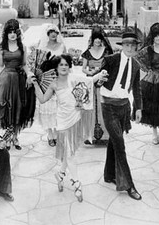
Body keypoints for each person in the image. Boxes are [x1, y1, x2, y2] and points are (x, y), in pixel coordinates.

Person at [32, 54, 107, 202]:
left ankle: (60, 174)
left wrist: (101, 74)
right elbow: (42, 99)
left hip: (76, 118)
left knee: (69, 150)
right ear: (56, 67)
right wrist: (35, 84)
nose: (64, 67)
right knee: (70, 153)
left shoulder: (74, 78)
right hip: (62, 121)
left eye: (66, 64)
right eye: (61, 65)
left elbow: (90, 81)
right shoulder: (53, 84)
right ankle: (76, 183)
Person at [97, 31, 143, 200]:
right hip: (108, 105)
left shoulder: (136, 65)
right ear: (122, 46)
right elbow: (97, 79)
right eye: (127, 45)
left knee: (114, 141)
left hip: (124, 106)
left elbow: (137, 89)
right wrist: (99, 80)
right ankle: (129, 185)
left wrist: (138, 109)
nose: (130, 48)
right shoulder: (111, 60)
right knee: (120, 145)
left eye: (133, 45)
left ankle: (109, 175)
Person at [0, 19, 35, 150]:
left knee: (18, 107)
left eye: (14, 31)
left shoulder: (22, 47)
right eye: (9, 32)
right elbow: (1, 66)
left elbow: (24, 65)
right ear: (6, 33)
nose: (12, 34)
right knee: (8, 107)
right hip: (6, 79)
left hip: (19, 79)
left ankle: (15, 136)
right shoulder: (2, 47)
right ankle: (7, 136)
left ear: (18, 33)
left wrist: (29, 74)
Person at [35, 24, 67, 146]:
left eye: (56, 32)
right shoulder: (42, 46)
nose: (53, 34)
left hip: (59, 77)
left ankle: (57, 132)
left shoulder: (62, 46)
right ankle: (50, 133)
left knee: (58, 106)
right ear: (47, 34)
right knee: (47, 106)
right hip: (46, 79)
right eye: (51, 32)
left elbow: (67, 63)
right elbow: (38, 64)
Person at [81, 27, 114, 144]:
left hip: (104, 82)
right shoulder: (87, 53)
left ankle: (106, 135)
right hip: (91, 82)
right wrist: (89, 73)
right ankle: (91, 135)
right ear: (92, 40)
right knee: (91, 107)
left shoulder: (106, 51)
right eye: (96, 40)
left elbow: (111, 65)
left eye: (100, 40)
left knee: (104, 107)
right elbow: (83, 69)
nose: (98, 42)